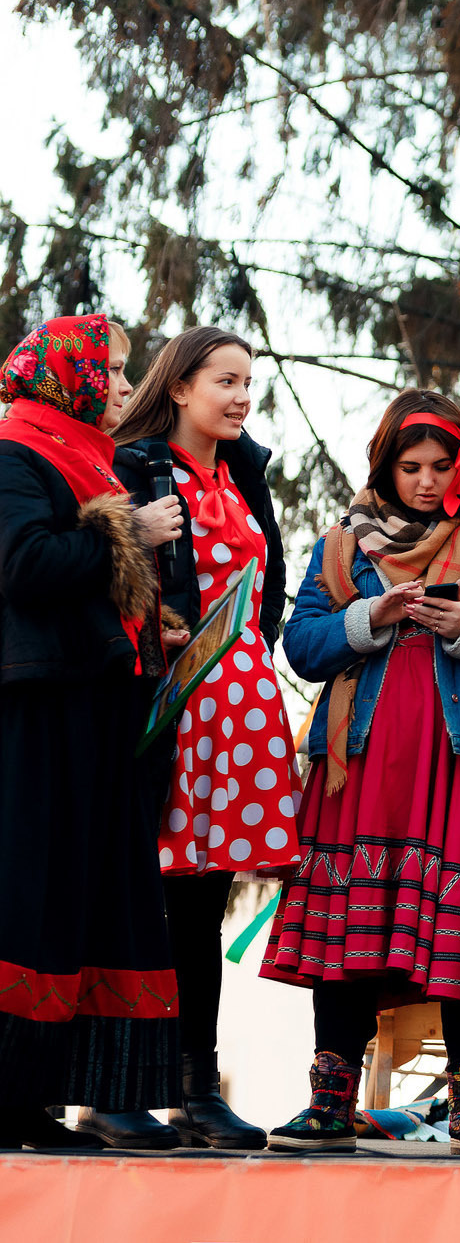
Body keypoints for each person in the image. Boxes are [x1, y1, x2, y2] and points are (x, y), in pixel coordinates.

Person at [263, 389, 460, 1155]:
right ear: (385, 465)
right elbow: (301, 643)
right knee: (350, 931)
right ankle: (330, 1105)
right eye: (410, 466)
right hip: (364, 767)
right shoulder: (344, 542)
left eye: (439, 465)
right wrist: (371, 619)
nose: (427, 481)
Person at [85, 327, 299, 1152]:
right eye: (227, 380)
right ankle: (126, 1085)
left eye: (251, 382)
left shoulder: (246, 472)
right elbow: (103, 578)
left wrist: (252, 647)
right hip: (164, 709)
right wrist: (160, 631)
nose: (244, 396)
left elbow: (270, 576)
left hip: (239, 706)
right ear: (178, 387)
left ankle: (196, 1088)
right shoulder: (132, 467)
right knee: (147, 893)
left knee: (204, 901)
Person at [0, 315, 185, 1148]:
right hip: (38, 708)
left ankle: (41, 1098)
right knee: (30, 897)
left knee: (76, 897)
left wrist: (156, 623)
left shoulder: (85, 455)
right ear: (66, 375)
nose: (120, 386)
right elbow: (22, 564)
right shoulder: (14, 449)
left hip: (93, 704)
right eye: (107, 371)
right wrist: (126, 533)